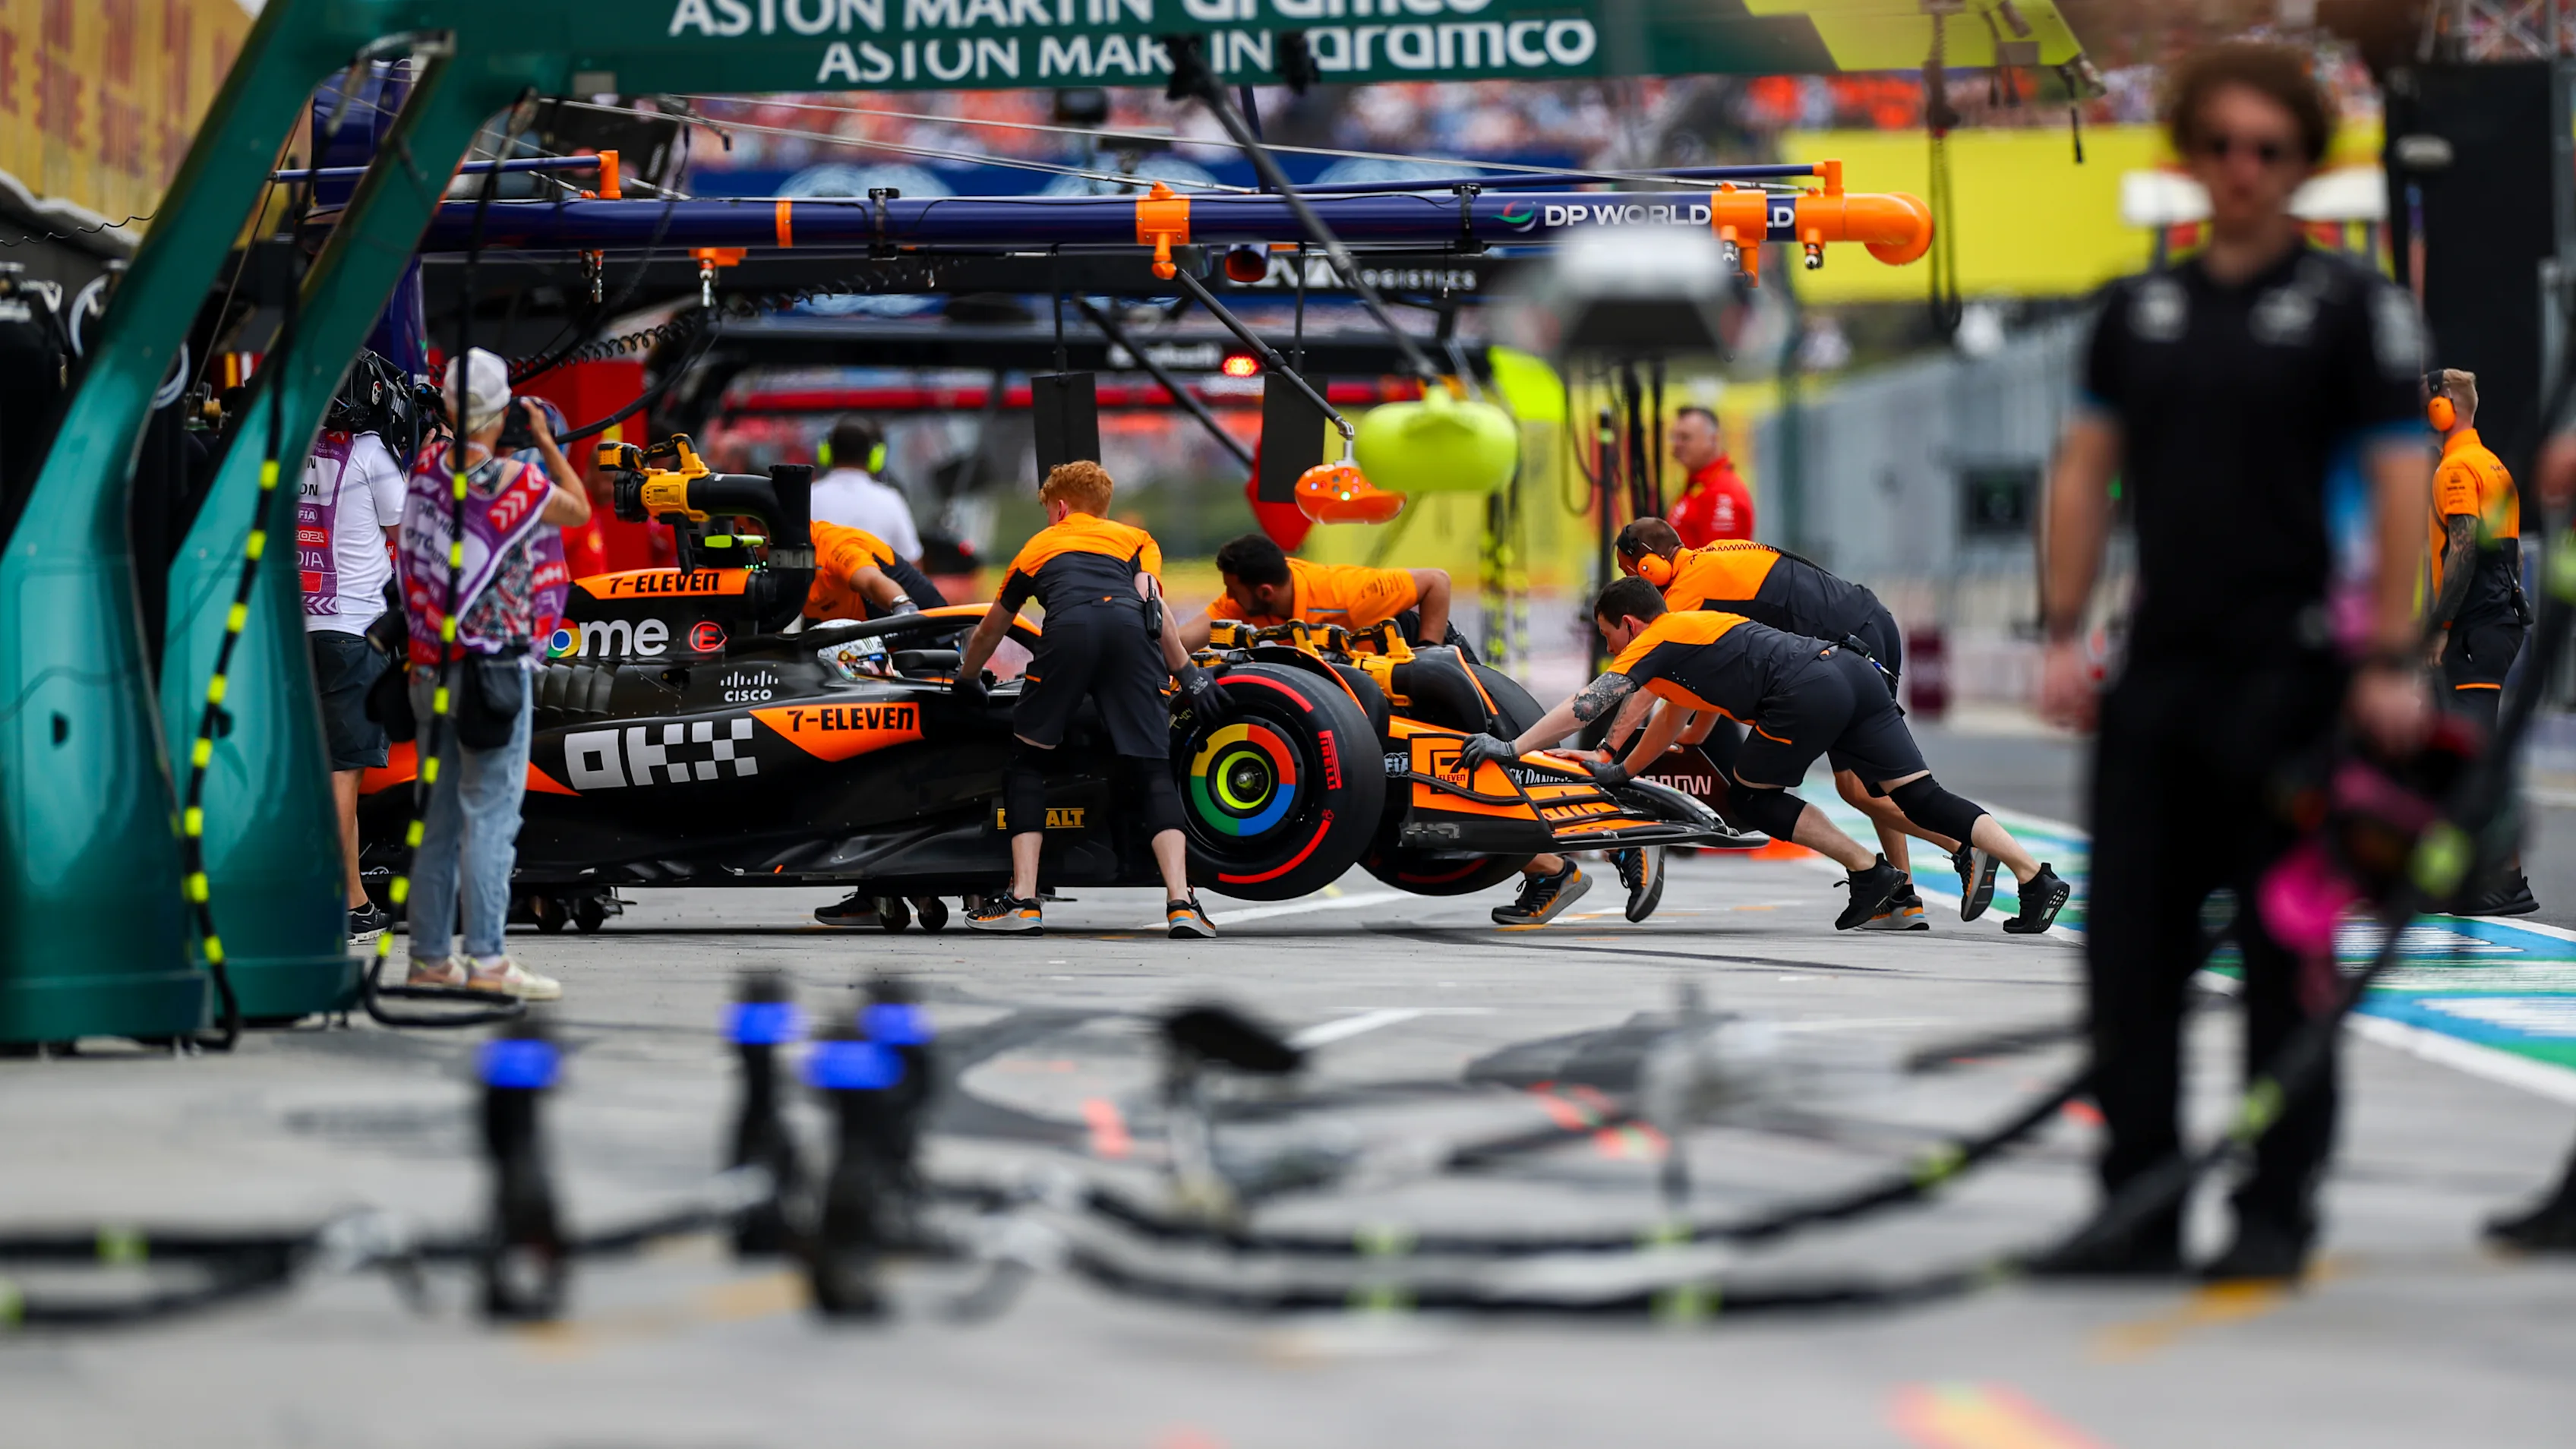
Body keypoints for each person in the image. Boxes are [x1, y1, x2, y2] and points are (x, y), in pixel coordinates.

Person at [2037, 46, 2433, 1282]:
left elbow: (2398, 479)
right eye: (2220, 147)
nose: (2242, 170)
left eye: (2268, 150)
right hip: (2160, 671)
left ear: (2303, 163)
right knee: (2129, 954)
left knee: (2285, 954)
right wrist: (2061, 628)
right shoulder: (2134, 310)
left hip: (2299, 676)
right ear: (2190, 157)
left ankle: (2274, 1208)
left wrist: (2391, 651)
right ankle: (2137, 1202)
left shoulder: (2352, 308)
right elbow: (2083, 468)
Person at [1474, 578, 2069, 936]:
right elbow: (1675, 718)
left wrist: (1514, 746)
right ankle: (2035, 878)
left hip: (1806, 688)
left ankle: (1872, 873)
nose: (1611, 649)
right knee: (1919, 796)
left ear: (1630, 623)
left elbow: (1588, 703)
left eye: (1610, 637)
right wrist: (1624, 770)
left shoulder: (1657, 639)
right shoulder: (1693, 633)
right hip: (1853, 673)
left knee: (1752, 797)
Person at [1614, 518, 1962, 930]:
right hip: (1860, 629)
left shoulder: (1684, 593)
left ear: (1651, 567)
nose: (1638, 587)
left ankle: (1964, 847)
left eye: (1633, 575)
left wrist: (1609, 751)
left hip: (1850, 646)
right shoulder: (1708, 563)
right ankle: (1901, 898)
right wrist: (1692, 741)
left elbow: (1655, 682)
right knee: (1871, 785)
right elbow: (1703, 685)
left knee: (1863, 788)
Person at [953, 460, 1231, 938]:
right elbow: (1152, 606)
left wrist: (967, 679)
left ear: (1059, 507)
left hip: (1070, 633)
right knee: (1151, 769)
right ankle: (1182, 904)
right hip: (1129, 633)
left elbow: (991, 629)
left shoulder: (1038, 547)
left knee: (1027, 762)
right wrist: (1188, 674)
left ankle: (1023, 900)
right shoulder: (1136, 540)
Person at [397, 348, 592, 1000]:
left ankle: (428, 957)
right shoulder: (515, 481)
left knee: (439, 818)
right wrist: (542, 440)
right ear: (502, 411)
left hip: (428, 669)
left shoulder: (424, 471)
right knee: (490, 817)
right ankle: (486, 960)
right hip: (492, 675)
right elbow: (579, 510)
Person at [299, 355, 409, 942]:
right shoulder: (369, 455)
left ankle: (341, 896)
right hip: (355, 629)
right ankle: (342, 901)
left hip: (299, 630)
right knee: (343, 775)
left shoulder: (294, 449)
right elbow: (411, 534)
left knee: (320, 770)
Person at [2423, 368, 2537, 915]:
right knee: (2469, 755)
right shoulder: (2492, 462)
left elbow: (2463, 552)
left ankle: (2504, 879)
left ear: (2443, 410)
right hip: (2497, 623)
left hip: (2473, 628)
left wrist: (2439, 628)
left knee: (2471, 759)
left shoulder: (2455, 469)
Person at [803, 518, 954, 929]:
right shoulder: (772, 566)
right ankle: (885, 888)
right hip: (879, 656)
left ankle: (884, 887)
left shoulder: (832, 544)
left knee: (883, 770)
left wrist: (902, 612)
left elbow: (873, 583)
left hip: (922, 646)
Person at [1180, 532, 1456, 652]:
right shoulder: (1245, 600)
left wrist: (1428, 656)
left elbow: (1437, 581)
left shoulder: (1353, 593)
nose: (1227, 597)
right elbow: (1184, 641)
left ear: (1265, 593)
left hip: (1418, 644)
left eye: (1232, 590)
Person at [809, 415, 922, 564]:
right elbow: (913, 563)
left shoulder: (807, 497)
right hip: (877, 587)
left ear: (826, 453)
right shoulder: (890, 500)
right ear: (876, 456)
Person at [802, 519, 951, 624]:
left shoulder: (834, 547)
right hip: (853, 635)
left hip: (922, 623)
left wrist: (902, 605)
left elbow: (871, 582)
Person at [1664, 406, 1753, 548]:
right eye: (1674, 437)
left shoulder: (1723, 491)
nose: (1677, 445)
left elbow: (1720, 563)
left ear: (1713, 440)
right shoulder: (1698, 485)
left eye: (1685, 438)